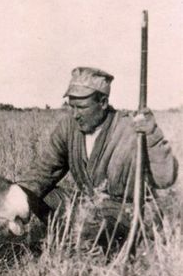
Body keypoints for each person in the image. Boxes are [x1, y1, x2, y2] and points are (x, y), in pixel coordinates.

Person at [19, 67, 178, 248]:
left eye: (82, 107)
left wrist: (153, 137)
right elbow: (43, 171)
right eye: (71, 107)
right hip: (90, 207)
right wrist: (14, 198)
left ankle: (77, 243)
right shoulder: (68, 128)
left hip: (128, 213)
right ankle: (68, 236)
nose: (75, 114)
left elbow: (165, 178)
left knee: (94, 223)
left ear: (103, 102)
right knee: (33, 194)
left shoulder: (131, 129)